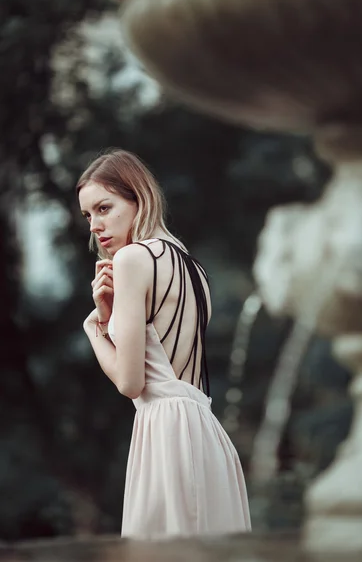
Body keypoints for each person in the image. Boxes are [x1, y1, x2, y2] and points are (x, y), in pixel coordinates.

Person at [77, 148, 251, 539]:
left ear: (139, 198)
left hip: (166, 432)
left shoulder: (132, 259)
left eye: (104, 208)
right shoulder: (193, 267)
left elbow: (131, 383)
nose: (94, 226)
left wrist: (94, 329)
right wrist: (109, 315)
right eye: (88, 215)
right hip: (206, 431)